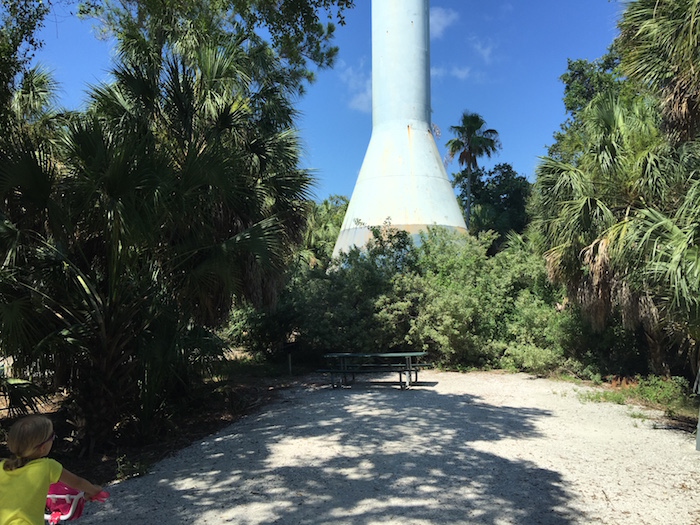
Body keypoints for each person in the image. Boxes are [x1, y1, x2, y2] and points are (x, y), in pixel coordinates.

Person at [0, 414, 102, 525]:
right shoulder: (47, 466)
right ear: (42, 448)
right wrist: (94, 490)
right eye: (52, 436)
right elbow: (77, 483)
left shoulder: (3, 466)